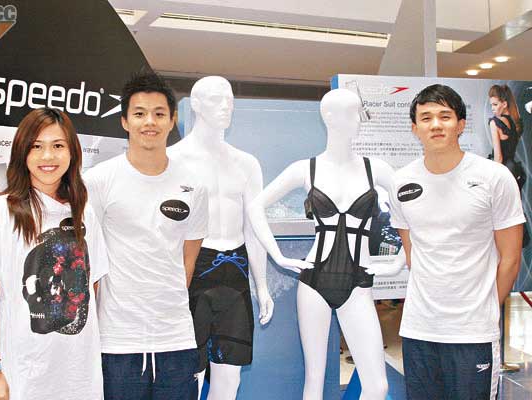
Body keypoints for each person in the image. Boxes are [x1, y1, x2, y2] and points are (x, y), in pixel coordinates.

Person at [249, 88, 397, 400]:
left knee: (377, 386)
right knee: (314, 381)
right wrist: (278, 256)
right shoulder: (306, 169)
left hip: (358, 285)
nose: (359, 120)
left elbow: (414, 212)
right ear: (328, 117)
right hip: (314, 282)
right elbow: (255, 206)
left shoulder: (377, 169)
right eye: (352, 112)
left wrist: (398, 260)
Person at [390, 84, 525, 399]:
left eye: (445, 116)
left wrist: (485, 309)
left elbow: (510, 259)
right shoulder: (401, 182)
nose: (435, 124)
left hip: (472, 333)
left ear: (461, 124)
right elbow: (412, 254)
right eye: (426, 118)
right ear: (415, 128)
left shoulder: (494, 177)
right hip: (419, 329)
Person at [0, 108, 109, 400]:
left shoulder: (84, 212)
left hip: (78, 375)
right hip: (20, 374)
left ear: (72, 152)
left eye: (58, 146)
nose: (48, 156)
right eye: (36, 146)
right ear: (23, 153)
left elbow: (91, 286)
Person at [84, 72, 208, 400]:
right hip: (117, 341)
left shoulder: (194, 185)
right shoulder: (98, 180)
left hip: (176, 338)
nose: (149, 122)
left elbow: (188, 262)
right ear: (125, 121)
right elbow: (88, 261)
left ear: (172, 120)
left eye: (158, 113)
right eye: (139, 113)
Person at [168, 76, 274, 400]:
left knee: (230, 376)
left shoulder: (247, 164)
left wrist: (262, 286)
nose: (226, 106)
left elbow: (252, 228)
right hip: (192, 269)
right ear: (196, 104)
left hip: (235, 270)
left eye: (230, 99)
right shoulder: (173, 160)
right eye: (217, 99)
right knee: (191, 372)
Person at [488, 84, 525, 188]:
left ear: (504, 104)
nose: (492, 108)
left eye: (495, 104)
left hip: (502, 172)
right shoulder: (516, 123)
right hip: (514, 170)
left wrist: (493, 181)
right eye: (491, 105)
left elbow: (498, 158)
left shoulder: (495, 123)